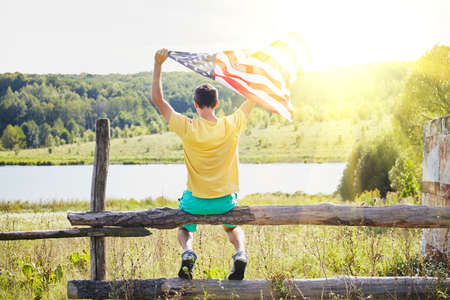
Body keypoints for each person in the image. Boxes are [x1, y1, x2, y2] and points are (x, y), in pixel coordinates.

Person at [151, 48, 255, 280]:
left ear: (195, 104)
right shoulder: (232, 124)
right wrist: (259, 76)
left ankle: (188, 252)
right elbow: (254, 96)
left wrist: (158, 65)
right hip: (225, 202)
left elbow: (158, 100)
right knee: (232, 227)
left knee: (184, 227)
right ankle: (240, 253)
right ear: (216, 103)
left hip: (194, 202)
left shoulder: (187, 128)